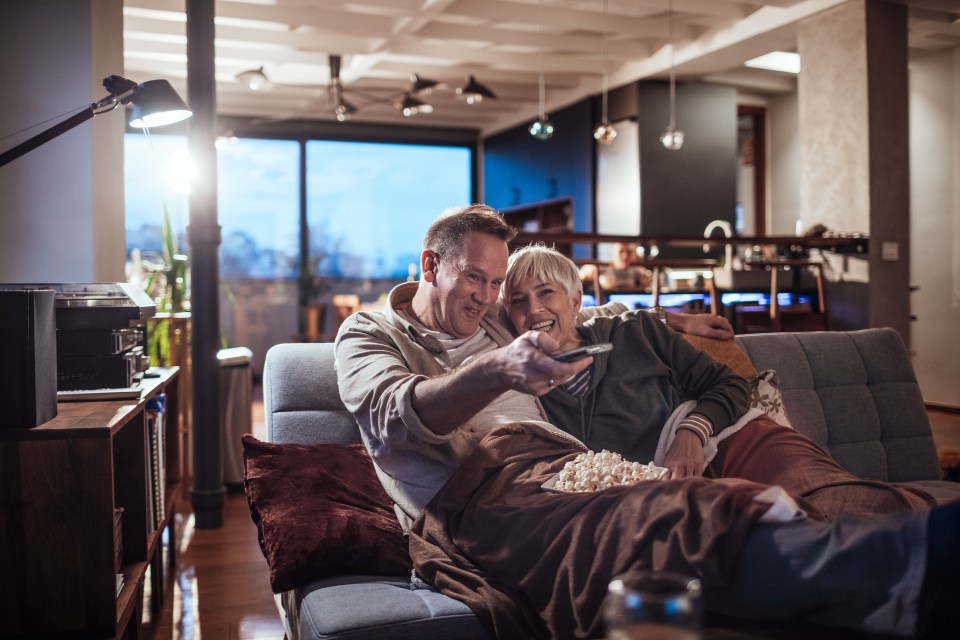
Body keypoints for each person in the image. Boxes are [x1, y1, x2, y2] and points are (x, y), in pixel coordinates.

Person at [335, 204, 958, 638]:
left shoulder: (490, 316)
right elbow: (394, 417)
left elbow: (583, 307)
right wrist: (498, 371)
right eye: (476, 276)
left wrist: (673, 321)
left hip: (565, 463)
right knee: (660, 517)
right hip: (477, 491)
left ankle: (905, 548)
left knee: (708, 499)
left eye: (497, 282)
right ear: (429, 264)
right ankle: (909, 569)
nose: (490, 295)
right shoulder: (368, 334)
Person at [501, 244, 935, 518]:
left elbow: (729, 385)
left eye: (546, 292)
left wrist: (692, 431)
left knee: (837, 499)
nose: (533, 308)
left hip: (729, 436)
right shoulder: (519, 382)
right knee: (774, 531)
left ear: (576, 300)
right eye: (518, 301)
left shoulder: (634, 331)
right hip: (666, 489)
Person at [578, 241, 653, 290]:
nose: (625, 256)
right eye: (621, 252)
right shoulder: (601, 268)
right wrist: (587, 273)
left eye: (629, 252)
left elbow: (648, 289)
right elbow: (580, 277)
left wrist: (644, 283)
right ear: (614, 253)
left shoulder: (638, 270)